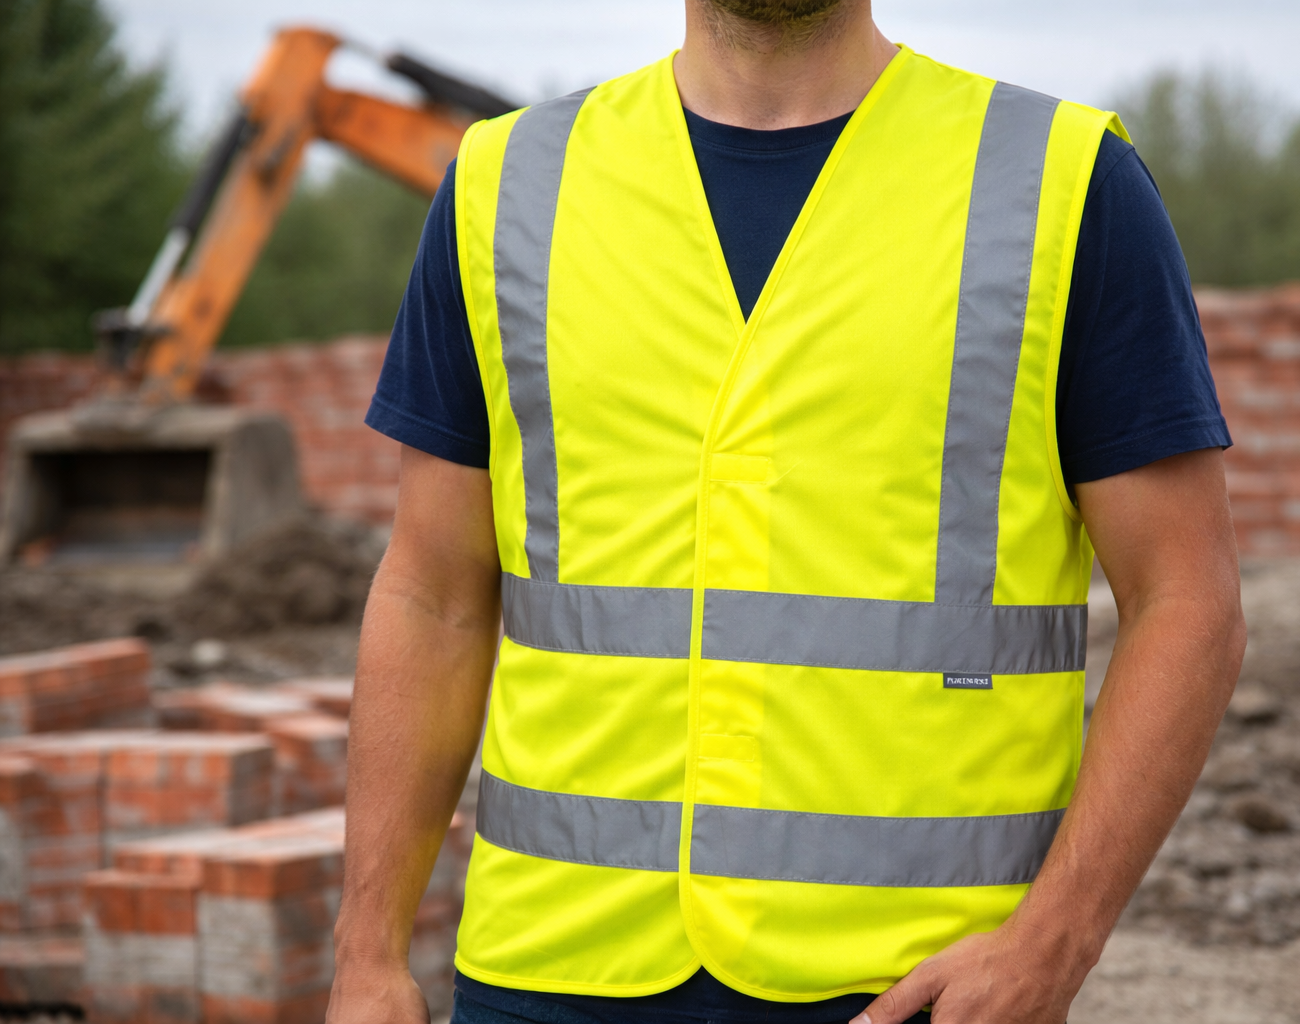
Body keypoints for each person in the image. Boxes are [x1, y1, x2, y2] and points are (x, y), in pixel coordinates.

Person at [327, 1, 1247, 1022]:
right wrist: (367, 956)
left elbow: (1186, 597)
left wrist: (1054, 942)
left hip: (915, 983)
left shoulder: (1065, 184)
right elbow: (433, 595)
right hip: (548, 970)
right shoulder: (505, 185)